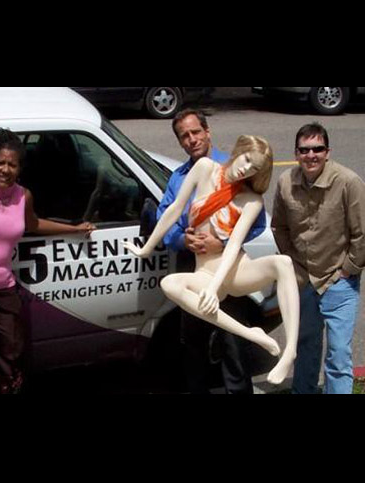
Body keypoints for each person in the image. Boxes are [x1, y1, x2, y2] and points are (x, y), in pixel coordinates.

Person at [125, 134, 300, 385]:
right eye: (246, 159)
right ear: (239, 150)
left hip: (236, 271)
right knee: (169, 284)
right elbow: (174, 209)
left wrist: (215, 286)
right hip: (204, 272)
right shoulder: (205, 167)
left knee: (283, 263)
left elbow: (234, 245)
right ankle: (251, 334)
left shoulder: (251, 200)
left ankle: (290, 351)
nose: (246, 169)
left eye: (254, 168)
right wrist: (147, 248)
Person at [0, 129, 95, 394]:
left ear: (20, 169)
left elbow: (34, 224)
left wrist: (74, 229)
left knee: (13, 351)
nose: (5, 170)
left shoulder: (23, 196)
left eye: (12, 165)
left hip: (3, 286)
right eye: (0, 163)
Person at [157, 110, 265, 394]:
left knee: (234, 342)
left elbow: (257, 223)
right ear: (180, 142)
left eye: (196, 132)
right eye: (184, 136)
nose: (191, 139)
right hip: (191, 264)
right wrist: (182, 239)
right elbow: (164, 218)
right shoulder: (178, 178)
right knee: (193, 342)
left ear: (207, 132)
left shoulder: (234, 167)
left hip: (227, 267)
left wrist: (223, 242)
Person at [272, 123, 365, 394]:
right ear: (296, 153)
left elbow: (361, 233)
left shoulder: (348, 182)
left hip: (339, 281)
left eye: (317, 149)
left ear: (327, 152)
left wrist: (347, 270)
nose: (311, 155)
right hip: (303, 280)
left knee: (338, 355)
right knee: (305, 346)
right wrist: (292, 265)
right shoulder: (285, 182)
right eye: (304, 150)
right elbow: (279, 227)